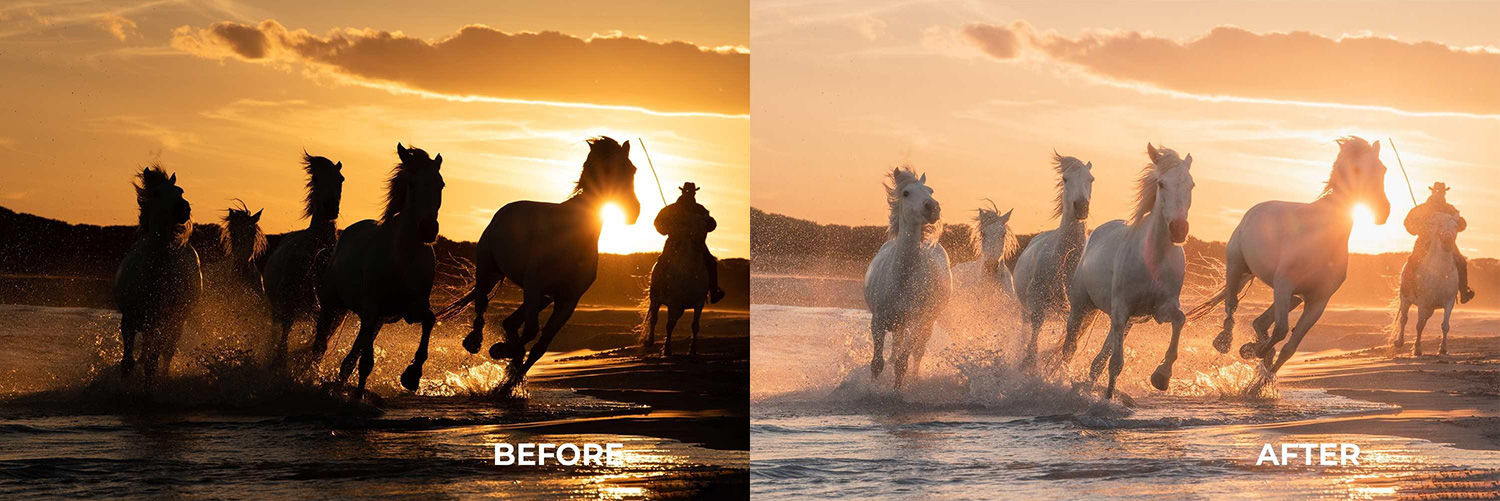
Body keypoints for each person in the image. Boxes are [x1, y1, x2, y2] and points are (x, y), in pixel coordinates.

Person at [1404, 182, 1474, 303]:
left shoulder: (1451, 209)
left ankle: (1463, 292)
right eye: (1437, 191)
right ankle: (1407, 289)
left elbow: (1462, 225)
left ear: (1444, 193)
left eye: (1441, 192)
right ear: (1432, 192)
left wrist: (1458, 222)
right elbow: (1408, 223)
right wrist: (1421, 227)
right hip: (1425, 241)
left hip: (1447, 243)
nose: (1439, 194)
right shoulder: (1421, 208)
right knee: (1413, 260)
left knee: (1461, 262)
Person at [655, 182, 725, 303]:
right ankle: (657, 289)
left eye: (691, 192)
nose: (689, 194)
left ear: (694, 193)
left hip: (696, 244)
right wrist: (667, 229)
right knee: (662, 262)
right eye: (687, 192)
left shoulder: (700, 210)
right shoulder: (670, 209)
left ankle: (713, 291)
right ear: (683, 192)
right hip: (675, 243)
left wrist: (705, 223)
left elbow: (712, 225)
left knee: (711, 262)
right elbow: (658, 223)